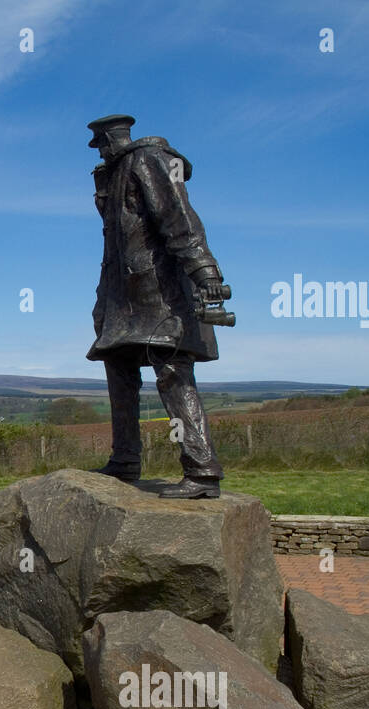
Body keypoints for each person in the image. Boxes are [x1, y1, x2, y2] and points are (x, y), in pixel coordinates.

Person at [86, 114, 226, 499]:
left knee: (172, 372)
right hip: (123, 301)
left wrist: (205, 272)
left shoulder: (149, 159)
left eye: (103, 145)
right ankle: (126, 459)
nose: (101, 153)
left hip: (158, 295)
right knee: (119, 366)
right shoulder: (116, 175)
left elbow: (178, 219)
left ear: (117, 139)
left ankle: (202, 469)